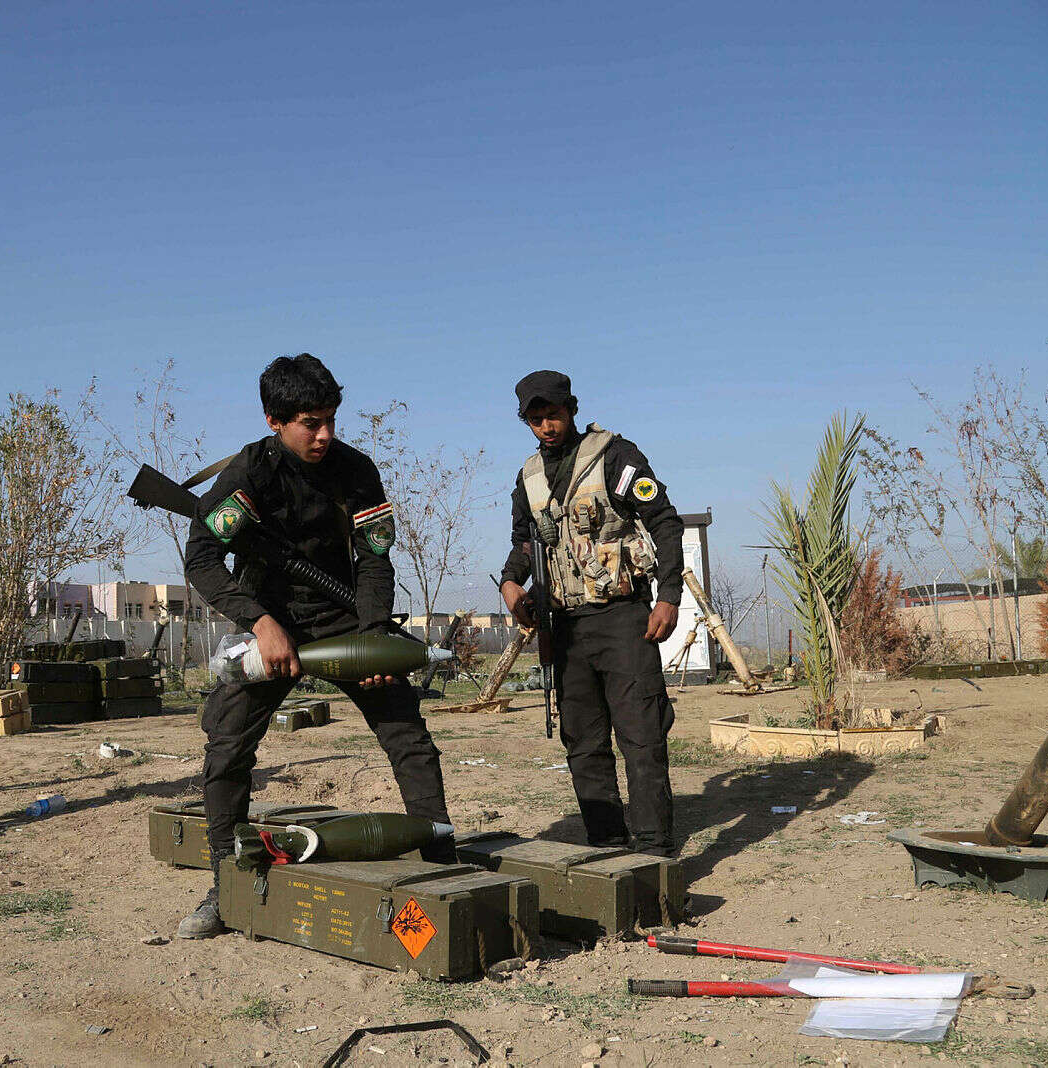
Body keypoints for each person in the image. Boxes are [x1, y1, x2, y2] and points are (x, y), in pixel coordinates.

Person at [176, 354, 454, 939]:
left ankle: (441, 863)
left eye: (331, 419)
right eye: (311, 423)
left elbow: (374, 559)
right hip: (268, 625)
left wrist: (374, 635)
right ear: (274, 420)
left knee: (408, 739)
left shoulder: (356, 471)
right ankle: (226, 883)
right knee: (227, 749)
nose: (325, 434)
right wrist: (259, 622)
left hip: (343, 621)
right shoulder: (250, 473)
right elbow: (201, 558)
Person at [497, 371, 685, 858]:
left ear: (572, 410)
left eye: (554, 415)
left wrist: (669, 596)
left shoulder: (614, 456)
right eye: (536, 420)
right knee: (583, 743)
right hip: (565, 628)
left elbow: (664, 521)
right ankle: (606, 847)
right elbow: (525, 542)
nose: (547, 427)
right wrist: (511, 582)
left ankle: (653, 851)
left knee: (642, 738)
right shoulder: (528, 477)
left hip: (623, 619)